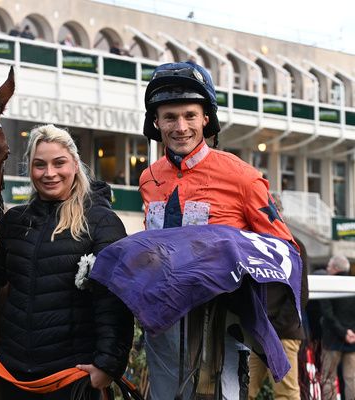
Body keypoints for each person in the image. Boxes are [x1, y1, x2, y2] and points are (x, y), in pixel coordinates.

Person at [139, 61, 298, 400]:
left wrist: (250, 312)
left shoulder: (242, 176)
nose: (180, 127)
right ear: (156, 122)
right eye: (170, 117)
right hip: (162, 330)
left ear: (206, 118)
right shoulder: (148, 178)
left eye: (190, 115)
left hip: (221, 329)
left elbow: (284, 251)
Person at [0, 124, 134, 398]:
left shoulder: (101, 222)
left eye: (58, 163)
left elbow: (114, 301)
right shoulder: (14, 221)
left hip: (71, 377)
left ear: (74, 163)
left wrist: (108, 364)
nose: (49, 173)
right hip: (12, 373)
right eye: (39, 165)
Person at [248, 194, 309, 400]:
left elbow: (300, 294)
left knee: (286, 394)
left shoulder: (295, 245)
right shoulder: (255, 241)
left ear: (279, 214)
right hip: (262, 330)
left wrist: (274, 326)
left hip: (283, 332)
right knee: (244, 388)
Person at [319, 255, 355, 400]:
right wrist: (351, 333)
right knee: (352, 379)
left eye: (328, 266)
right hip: (353, 340)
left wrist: (342, 332)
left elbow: (327, 313)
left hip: (332, 340)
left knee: (328, 379)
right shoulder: (353, 284)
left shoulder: (328, 284)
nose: (327, 269)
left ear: (335, 268)